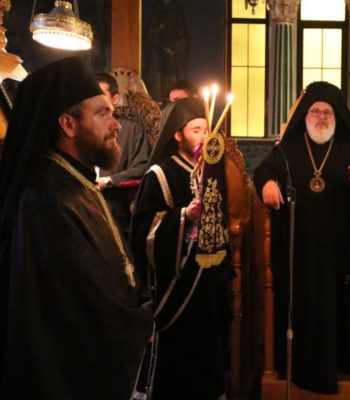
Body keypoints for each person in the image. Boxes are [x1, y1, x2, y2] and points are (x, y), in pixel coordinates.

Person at [0, 57, 153, 399]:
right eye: (103, 113)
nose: (116, 125)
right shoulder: (46, 200)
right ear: (68, 124)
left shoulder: (76, 182)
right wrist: (146, 321)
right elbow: (77, 311)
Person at [253, 81, 350, 394]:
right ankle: (296, 368)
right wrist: (268, 184)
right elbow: (263, 171)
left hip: (338, 249)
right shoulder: (290, 148)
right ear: (304, 116)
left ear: (336, 117)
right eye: (315, 112)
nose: (321, 117)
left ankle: (334, 368)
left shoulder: (349, 147)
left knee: (333, 308)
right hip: (298, 248)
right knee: (301, 308)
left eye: (327, 112)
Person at [131, 97, 237, 399]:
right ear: (177, 135)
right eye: (195, 130)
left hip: (208, 276)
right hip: (177, 280)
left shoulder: (213, 170)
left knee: (210, 341)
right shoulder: (160, 173)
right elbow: (143, 228)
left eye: (206, 130)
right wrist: (183, 215)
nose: (203, 136)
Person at [95, 72, 150, 237]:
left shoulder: (132, 130)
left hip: (116, 209)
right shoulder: (83, 128)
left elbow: (142, 167)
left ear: (115, 99)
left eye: (100, 95)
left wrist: (110, 181)